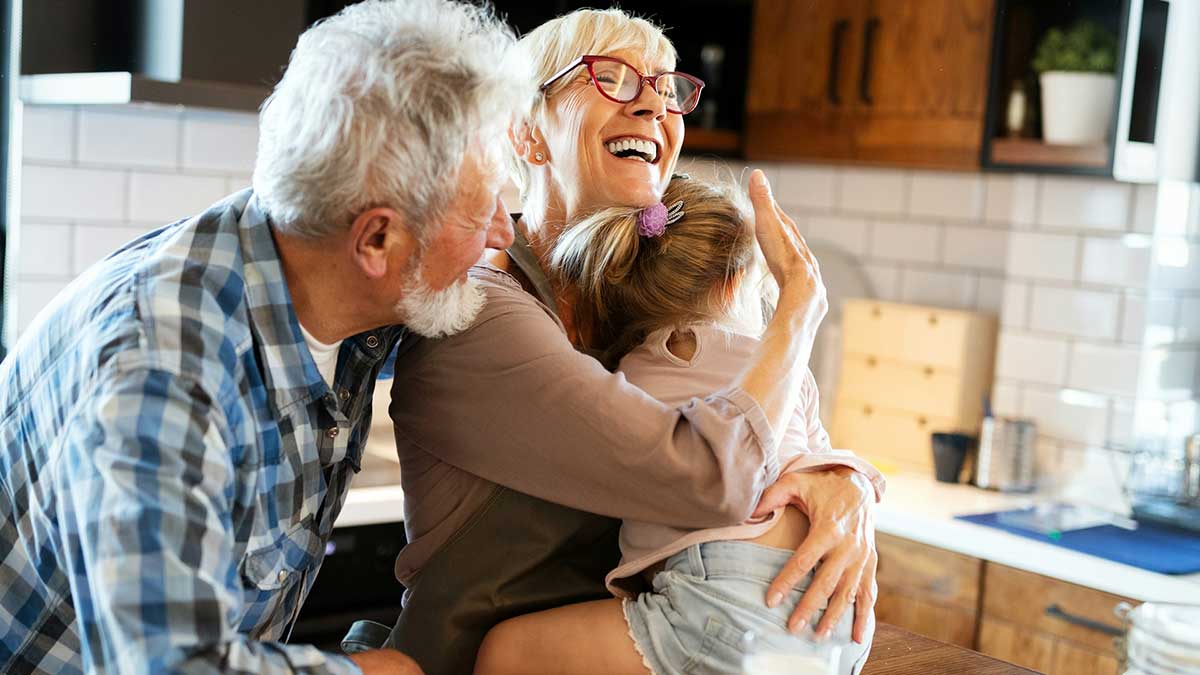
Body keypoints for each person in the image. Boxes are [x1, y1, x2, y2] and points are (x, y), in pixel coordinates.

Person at [0, 1, 526, 672]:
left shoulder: (330, 281)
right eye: (482, 212)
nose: (501, 234)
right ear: (377, 239)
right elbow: (174, 664)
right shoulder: (164, 368)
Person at [377, 9, 885, 674]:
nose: (653, 103)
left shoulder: (649, 306)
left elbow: (776, 427)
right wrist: (798, 310)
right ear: (526, 132)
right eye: (611, 78)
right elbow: (708, 475)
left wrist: (845, 482)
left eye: (667, 88)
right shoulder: (478, 307)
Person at [474, 176, 872, 674]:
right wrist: (855, 479)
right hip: (838, 617)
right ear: (733, 282)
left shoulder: (633, 371)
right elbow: (826, 466)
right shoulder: (789, 368)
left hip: (726, 599)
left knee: (507, 651)